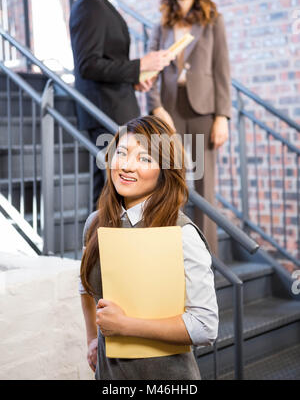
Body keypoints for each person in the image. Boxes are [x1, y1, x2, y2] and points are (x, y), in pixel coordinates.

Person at [78, 115, 218, 380]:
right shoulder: (95, 224)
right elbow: (85, 287)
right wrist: (92, 339)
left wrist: (124, 325)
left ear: (165, 171)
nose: (127, 166)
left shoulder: (182, 233)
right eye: (122, 153)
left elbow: (205, 326)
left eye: (145, 158)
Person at [69, 0, 172, 209]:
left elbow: (107, 61)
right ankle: (100, 250)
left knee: (117, 192)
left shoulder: (102, 4)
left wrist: (134, 78)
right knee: (108, 192)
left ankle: (114, 249)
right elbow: (88, 64)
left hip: (116, 109)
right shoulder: (89, 5)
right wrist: (139, 65)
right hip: (105, 113)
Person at [146, 0, 232, 256]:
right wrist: (156, 108)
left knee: (204, 187)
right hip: (169, 110)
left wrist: (222, 116)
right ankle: (172, 255)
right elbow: (151, 73)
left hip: (203, 111)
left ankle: (207, 260)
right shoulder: (161, 25)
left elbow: (222, 70)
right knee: (169, 183)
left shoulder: (212, 21)